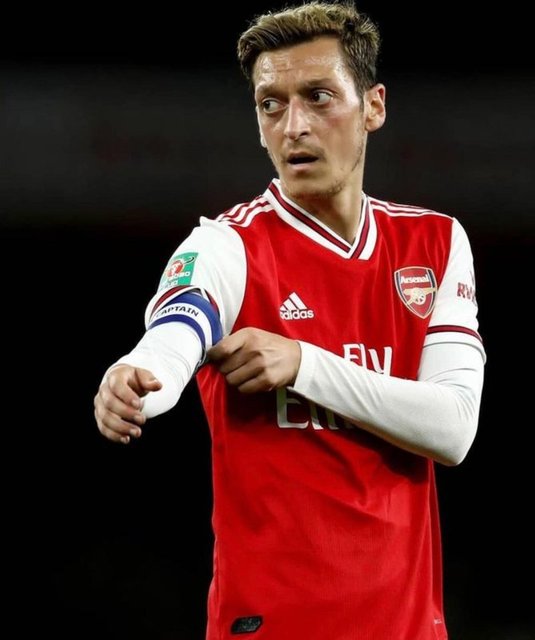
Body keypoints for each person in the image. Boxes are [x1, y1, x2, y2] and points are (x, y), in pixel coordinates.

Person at [94, 2, 486, 638]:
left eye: (319, 97)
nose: (294, 125)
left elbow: (453, 427)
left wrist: (305, 363)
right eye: (270, 104)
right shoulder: (226, 245)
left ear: (374, 107)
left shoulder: (435, 243)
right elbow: (176, 331)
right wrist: (137, 376)